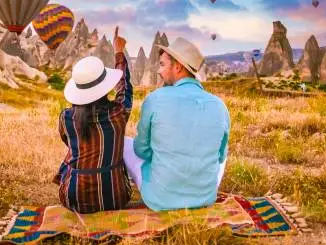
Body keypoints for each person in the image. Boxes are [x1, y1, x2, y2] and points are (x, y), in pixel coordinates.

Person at [123, 37, 230, 211]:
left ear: (178, 66)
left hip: (160, 200)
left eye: (163, 65)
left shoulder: (155, 99)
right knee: (222, 151)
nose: (159, 71)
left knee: (124, 143)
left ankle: (119, 188)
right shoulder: (220, 105)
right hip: (205, 198)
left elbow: (141, 150)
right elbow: (220, 157)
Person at [53, 27, 133, 213]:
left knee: (75, 150)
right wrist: (119, 52)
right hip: (115, 198)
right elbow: (125, 88)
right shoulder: (119, 113)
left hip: (74, 200)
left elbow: (68, 142)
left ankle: (63, 178)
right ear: (105, 87)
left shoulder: (66, 117)